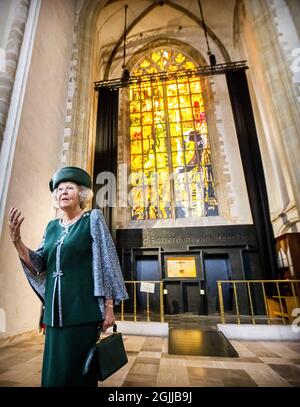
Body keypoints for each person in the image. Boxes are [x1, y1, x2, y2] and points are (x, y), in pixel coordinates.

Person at [8, 166, 128, 387]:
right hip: (54, 316)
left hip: (83, 311)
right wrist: (17, 241)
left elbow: (107, 260)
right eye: (60, 189)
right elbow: (39, 264)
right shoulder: (52, 227)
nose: (63, 192)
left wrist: (109, 307)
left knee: (79, 374)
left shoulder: (92, 219)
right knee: (56, 373)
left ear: (81, 194)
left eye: (69, 188)